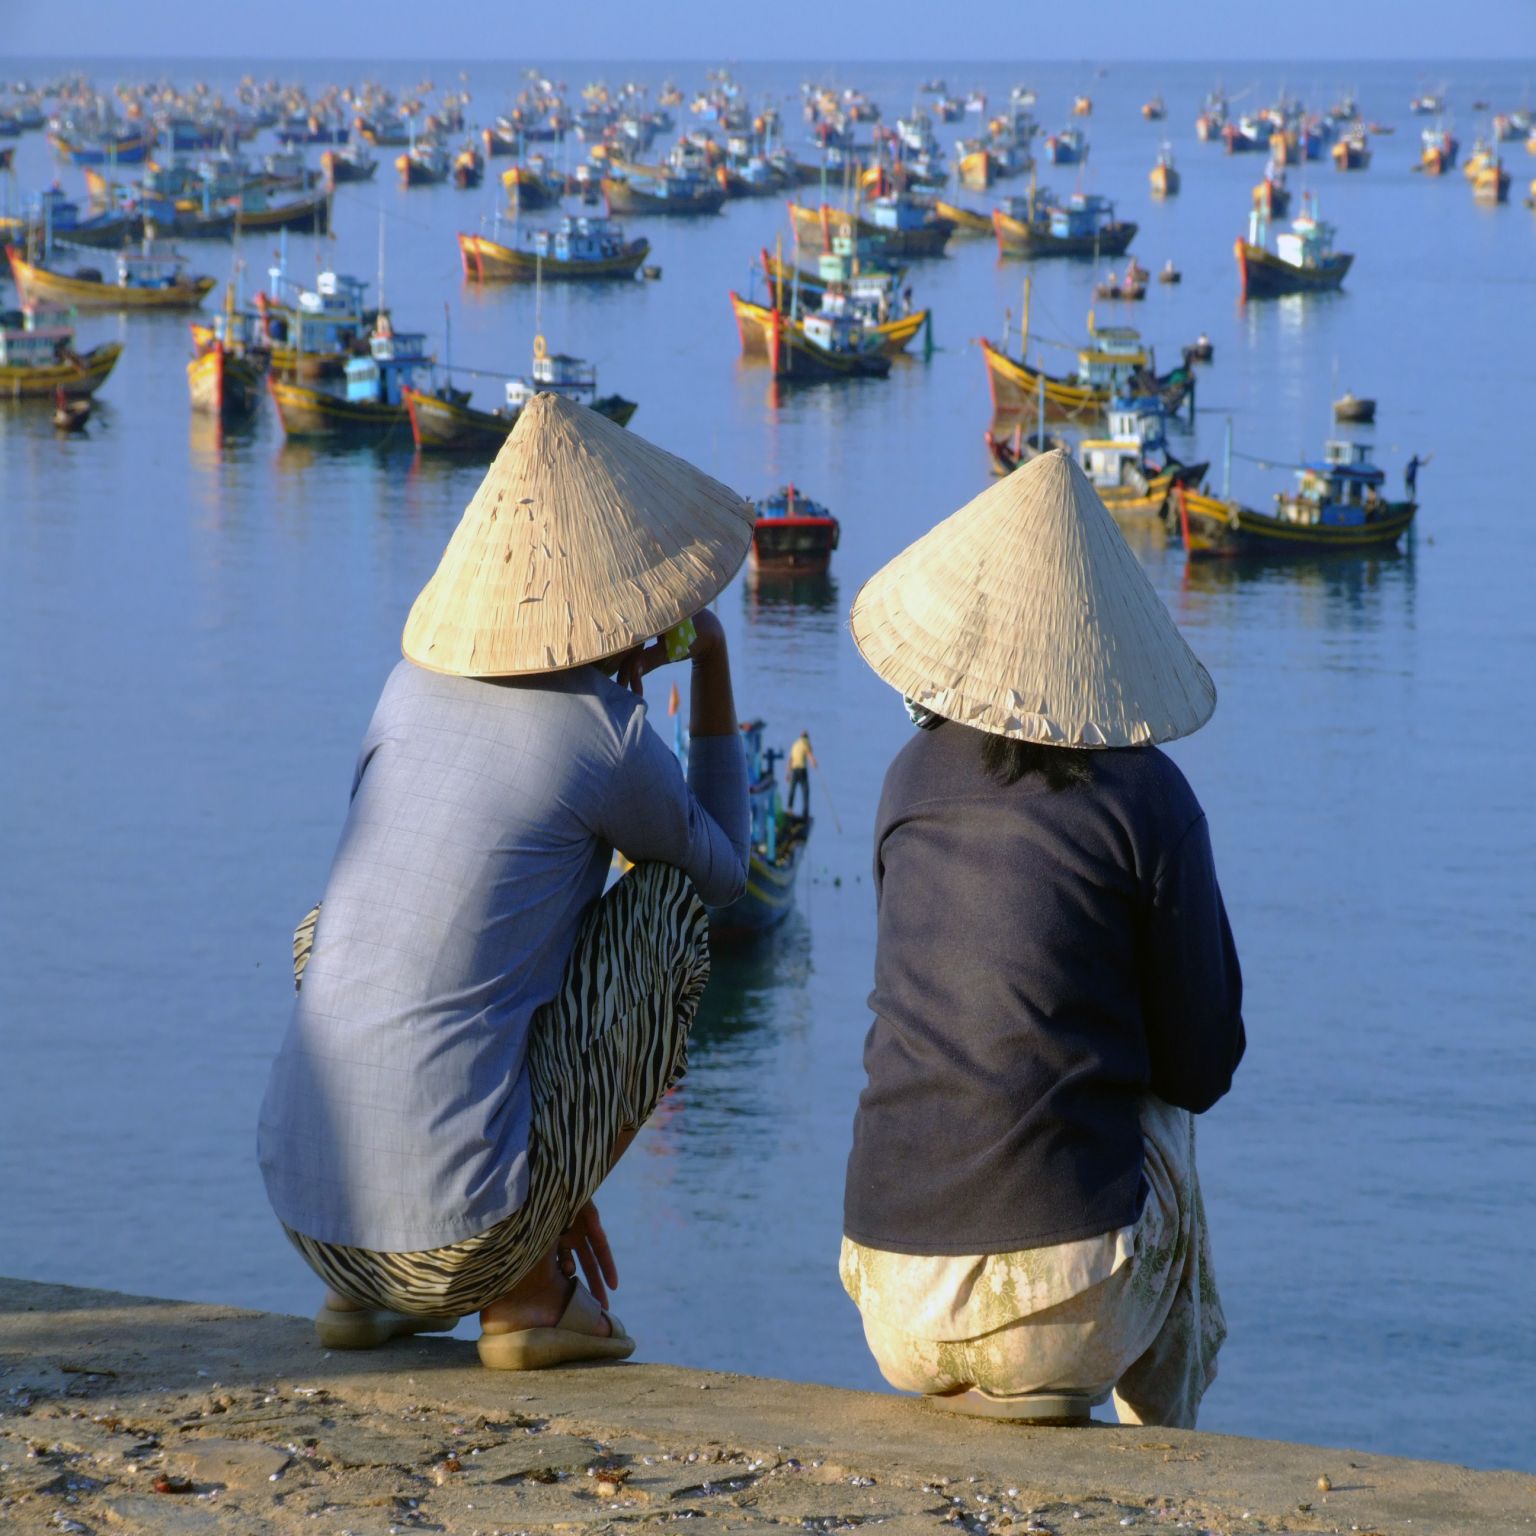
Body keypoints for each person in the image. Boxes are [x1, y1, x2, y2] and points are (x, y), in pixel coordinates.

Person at [258, 393, 756, 1371]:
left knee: (339, 931)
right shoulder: (603, 732)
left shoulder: (404, 689)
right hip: (462, 1240)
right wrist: (710, 659)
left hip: (312, 1219)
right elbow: (727, 875)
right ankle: (524, 1293)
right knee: (668, 912)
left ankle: (365, 1296)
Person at [841, 449, 1245, 1428]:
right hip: (1060, 1311)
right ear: (1102, 645)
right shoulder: (1148, 795)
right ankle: (1163, 1442)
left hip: (889, 1295)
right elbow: (1203, 1068)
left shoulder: (907, 780)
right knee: (1163, 1115)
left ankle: (976, 1362)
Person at [786, 730, 817, 816]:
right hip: (802, 770)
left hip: (794, 770)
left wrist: (788, 773)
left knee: (792, 790)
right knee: (805, 791)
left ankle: (789, 809)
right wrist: (814, 763)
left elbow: (790, 759)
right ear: (807, 737)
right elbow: (809, 754)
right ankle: (805, 812)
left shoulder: (795, 744)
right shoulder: (806, 742)